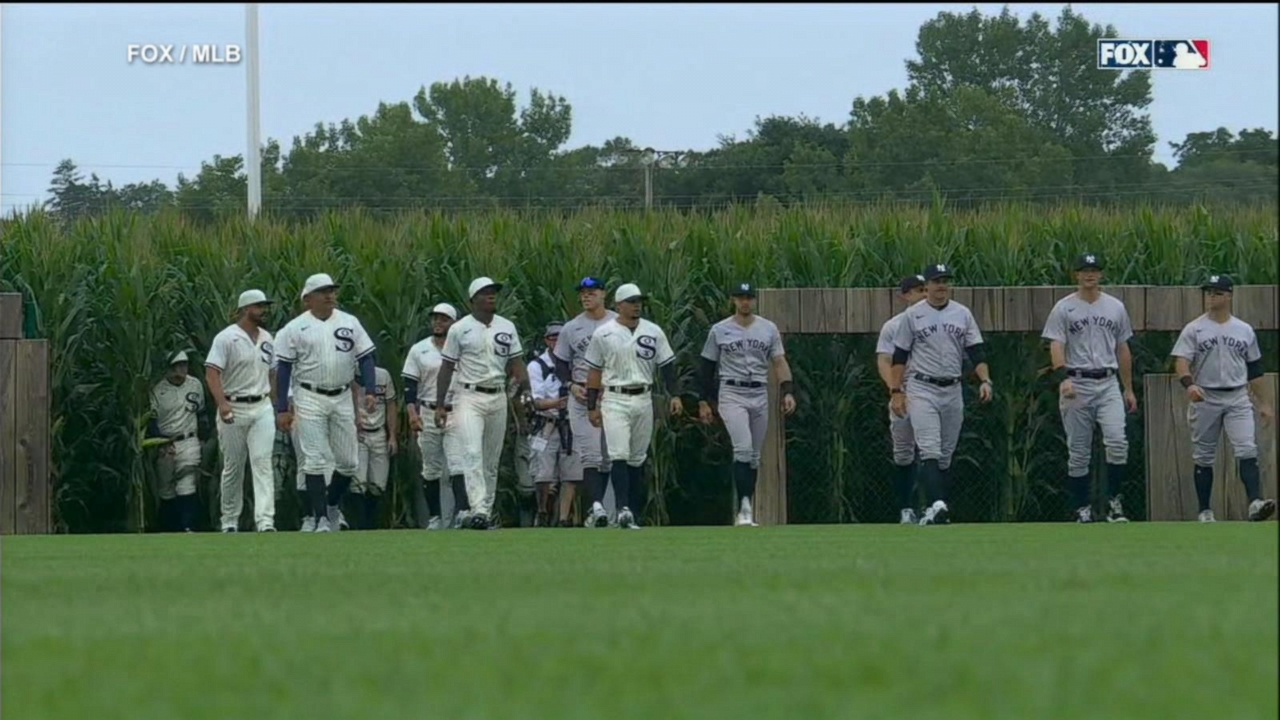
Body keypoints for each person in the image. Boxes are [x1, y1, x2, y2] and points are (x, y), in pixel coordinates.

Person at [889, 263, 993, 526]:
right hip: (922, 387)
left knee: (945, 454)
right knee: (930, 449)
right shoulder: (913, 316)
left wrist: (985, 380)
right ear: (928, 287)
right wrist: (896, 391)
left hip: (953, 388)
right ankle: (937, 505)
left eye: (945, 281)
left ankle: (934, 509)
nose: (941, 286)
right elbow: (899, 356)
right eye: (936, 281)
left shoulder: (962, 313)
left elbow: (976, 351)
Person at [273, 273, 377, 533]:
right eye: (322, 291)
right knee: (314, 459)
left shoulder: (349, 322)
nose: (329, 295)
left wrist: (371, 390)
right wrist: (283, 408)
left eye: (331, 290)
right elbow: (283, 369)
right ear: (308, 299)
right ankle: (319, 518)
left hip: (341, 395)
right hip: (309, 394)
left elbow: (366, 357)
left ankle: (331, 505)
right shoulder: (294, 328)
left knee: (349, 462)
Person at [1042, 253, 1138, 523]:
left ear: (1101, 275)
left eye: (1094, 270)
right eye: (1084, 270)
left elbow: (1123, 347)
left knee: (1117, 442)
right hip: (1077, 381)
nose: (1089, 275)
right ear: (1076, 275)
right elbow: (1056, 344)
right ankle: (1081, 508)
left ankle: (1113, 504)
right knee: (1079, 451)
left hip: (1107, 381)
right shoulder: (1064, 308)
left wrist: (1127, 388)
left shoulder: (1115, 307)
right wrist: (1064, 377)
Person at [1171, 274, 1276, 522]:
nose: (1211, 297)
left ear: (1229, 295)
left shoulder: (1243, 329)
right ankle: (1205, 510)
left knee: (1246, 448)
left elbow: (1255, 369)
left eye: (1217, 292)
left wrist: (1264, 403)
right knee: (1204, 455)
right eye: (1208, 292)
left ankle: (1255, 503)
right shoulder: (1195, 328)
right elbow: (1181, 362)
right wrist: (1189, 385)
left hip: (1237, 395)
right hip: (1205, 395)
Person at [434, 277, 533, 530]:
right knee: (472, 453)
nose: (491, 296)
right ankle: (477, 506)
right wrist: (440, 404)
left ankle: (485, 512)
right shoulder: (459, 329)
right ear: (472, 300)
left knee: (491, 459)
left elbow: (517, 362)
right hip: (469, 396)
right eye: (485, 293)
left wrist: (526, 390)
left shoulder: (507, 326)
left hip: (498, 395)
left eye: (493, 292)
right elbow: (446, 368)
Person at [584, 283, 683, 530]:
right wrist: (591, 405)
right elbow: (594, 371)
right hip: (615, 398)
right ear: (618, 305)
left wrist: (675, 395)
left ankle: (632, 512)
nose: (636, 305)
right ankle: (622, 508)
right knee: (618, 453)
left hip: (643, 397)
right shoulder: (604, 333)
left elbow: (667, 366)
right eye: (631, 301)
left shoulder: (653, 331)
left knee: (638, 458)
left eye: (639, 300)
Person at [697, 283, 796, 527]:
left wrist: (788, 391)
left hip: (759, 391)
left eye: (749, 297)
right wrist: (704, 401)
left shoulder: (768, 328)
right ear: (733, 300)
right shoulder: (720, 330)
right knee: (742, 448)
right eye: (740, 297)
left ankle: (746, 507)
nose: (745, 302)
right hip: (731, 391)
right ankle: (744, 507)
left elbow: (779, 361)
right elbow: (706, 367)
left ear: (754, 300)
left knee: (753, 456)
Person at [206, 289, 278, 533]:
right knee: (234, 465)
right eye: (259, 306)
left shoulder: (268, 338)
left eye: (265, 306)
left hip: (261, 405)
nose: (264, 311)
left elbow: (273, 373)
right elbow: (212, 372)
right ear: (246, 309)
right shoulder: (226, 338)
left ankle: (265, 520)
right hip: (234, 405)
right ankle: (229, 520)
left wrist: (279, 406)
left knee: (262, 462)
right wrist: (222, 403)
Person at [553, 277, 619, 525]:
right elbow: (560, 361)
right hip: (581, 394)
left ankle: (605, 511)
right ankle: (597, 508)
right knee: (590, 455)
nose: (586, 297)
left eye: (591, 292)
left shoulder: (617, 322)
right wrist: (569, 385)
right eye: (583, 293)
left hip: (611, 394)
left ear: (603, 294)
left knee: (608, 457)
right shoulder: (572, 327)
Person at [404, 303, 464, 530]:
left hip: (456, 410)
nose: (438, 323)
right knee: (431, 468)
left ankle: (461, 513)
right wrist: (412, 414)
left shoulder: (463, 349)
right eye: (435, 318)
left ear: (454, 323)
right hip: (428, 411)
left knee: (458, 463)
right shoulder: (420, 350)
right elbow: (410, 385)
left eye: (444, 319)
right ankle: (435, 517)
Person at [875, 275, 928, 524]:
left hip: (930, 391)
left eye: (926, 289)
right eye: (919, 290)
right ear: (905, 295)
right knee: (904, 453)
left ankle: (932, 507)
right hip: (903, 392)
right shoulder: (894, 326)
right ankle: (906, 508)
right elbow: (884, 360)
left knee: (932, 450)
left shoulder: (940, 319)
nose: (925, 294)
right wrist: (895, 389)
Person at [148, 351, 208, 532]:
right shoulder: (158, 389)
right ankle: (169, 528)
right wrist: (161, 442)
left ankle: (187, 527)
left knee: (187, 484)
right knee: (166, 489)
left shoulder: (195, 384)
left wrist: (204, 438)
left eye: (183, 365)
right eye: (176, 366)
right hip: (165, 443)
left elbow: (202, 412)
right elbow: (151, 418)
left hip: (189, 439)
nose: (180, 370)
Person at [528, 322, 579, 527]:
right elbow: (536, 401)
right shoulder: (537, 366)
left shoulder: (576, 363)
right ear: (546, 340)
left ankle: (564, 517)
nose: (556, 341)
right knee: (543, 472)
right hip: (547, 423)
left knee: (571, 473)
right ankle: (542, 512)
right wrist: (559, 403)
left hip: (571, 423)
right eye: (552, 337)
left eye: (560, 337)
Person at [351, 366, 398, 529]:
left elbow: (391, 404)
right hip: (359, 432)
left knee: (378, 483)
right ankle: (359, 525)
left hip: (379, 432)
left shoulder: (383, 375)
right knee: (359, 482)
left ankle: (371, 523)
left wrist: (392, 436)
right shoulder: (350, 374)